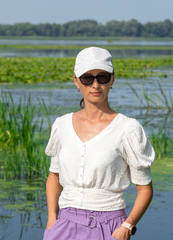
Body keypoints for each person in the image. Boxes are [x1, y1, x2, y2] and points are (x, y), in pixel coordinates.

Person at [44, 47, 155, 240]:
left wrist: (127, 226)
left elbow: (145, 189)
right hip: (63, 226)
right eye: (87, 78)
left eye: (102, 77)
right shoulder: (61, 125)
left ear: (112, 80)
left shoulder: (128, 129)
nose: (95, 85)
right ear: (76, 81)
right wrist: (52, 220)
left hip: (109, 227)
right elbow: (54, 176)